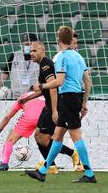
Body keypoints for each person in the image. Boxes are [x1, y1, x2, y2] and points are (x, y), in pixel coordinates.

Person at [25, 26, 96, 183]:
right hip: (75, 98)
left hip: (67, 99)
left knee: (76, 136)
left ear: (59, 40)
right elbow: (88, 81)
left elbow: (59, 81)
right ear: (71, 40)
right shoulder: (79, 57)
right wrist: (84, 102)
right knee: (57, 137)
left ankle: (89, 174)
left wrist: (41, 86)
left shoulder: (62, 57)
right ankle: (43, 171)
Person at [21, 41, 82, 174]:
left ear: (42, 51)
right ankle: (53, 165)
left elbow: (53, 88)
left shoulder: (46, 65)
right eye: (30, 51)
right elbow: (44, 89)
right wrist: (27, 98)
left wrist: (54, 110)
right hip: (50, 105)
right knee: (39, 136)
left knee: (44, 137)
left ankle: (65, 159)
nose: (31, 54)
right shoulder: (42, 65)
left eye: (34, 51)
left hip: (55, 105)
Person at [0, 89, 45, 171]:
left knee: (10, 139)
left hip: (28, 119)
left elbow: (8, 117)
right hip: (44, 117)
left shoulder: (23, 97)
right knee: (48, 142)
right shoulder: (44, 95)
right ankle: (58, 160)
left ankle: (4, 163)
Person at [0, 33, 40, 99]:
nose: (29, 46)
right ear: (22, 44)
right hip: (15, 96)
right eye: (26, 44)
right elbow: (5, 74)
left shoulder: (41, 57)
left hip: (33, 95)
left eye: (31, 44)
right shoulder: (15, 55)